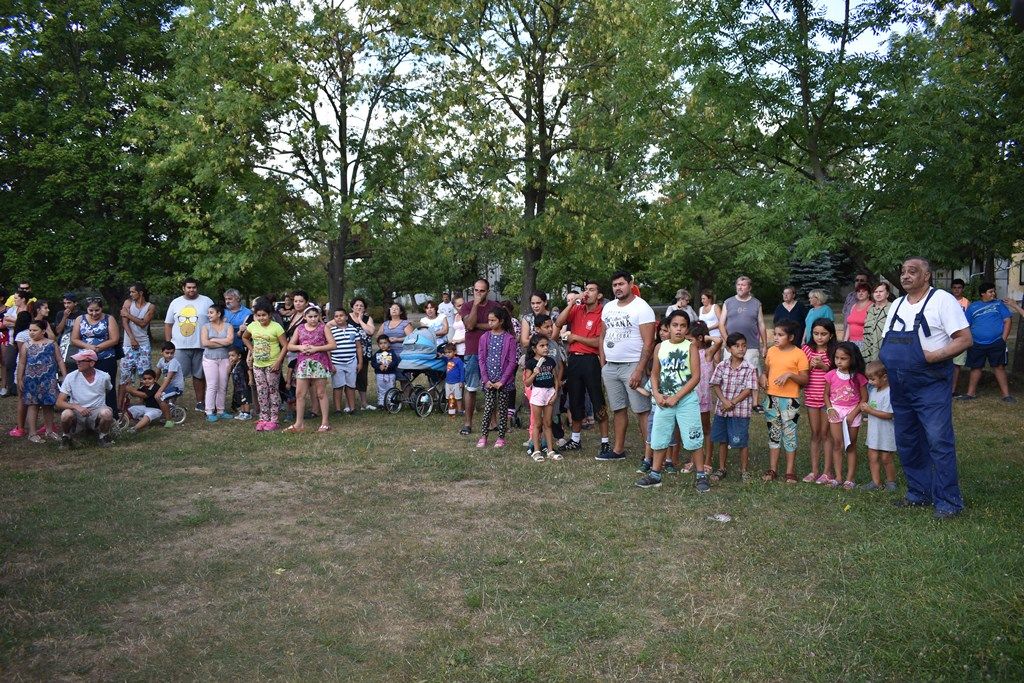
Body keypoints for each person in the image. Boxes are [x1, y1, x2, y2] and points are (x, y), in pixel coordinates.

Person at [880, 257, 971, 519]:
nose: (905, 276)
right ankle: (919, 492)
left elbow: (965, 339)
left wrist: (934, 356)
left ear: (927, 275)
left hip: (930, 383)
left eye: (913, 271)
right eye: (903, 271)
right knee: (907, 440)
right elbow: (888, 342)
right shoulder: (897, 304)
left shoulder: (942, 300)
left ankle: (949, 501)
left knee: (938, 440)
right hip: (899, 384)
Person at [635, 311, 709, 491]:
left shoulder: (690, 347)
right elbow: (654, 374)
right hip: (664, 401)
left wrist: (677, 396)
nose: (678, 329)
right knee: (659, 436)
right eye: (675, 325)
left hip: (686, 401)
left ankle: (701, 475)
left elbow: (696, 377)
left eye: (683, 326)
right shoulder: (660, 347)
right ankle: (655, 474)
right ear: (668, 327)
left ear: (687, 328)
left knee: (693, 437)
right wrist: (657, 394)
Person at [599, 271, 656, 461]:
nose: (618, 288)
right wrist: (603, 364)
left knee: (642, 410)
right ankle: (618, 450)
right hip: (611, 367)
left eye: (621, 284)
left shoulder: (642, 307)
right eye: (615, 285)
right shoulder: (608, 307)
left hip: (632, 365)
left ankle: (651, 455)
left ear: (631, 284)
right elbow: (602, 336)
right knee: (618, 409)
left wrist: (639, 370)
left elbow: (649, 342)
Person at [554, 280, 610, 455]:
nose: (587, 293)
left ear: (599, 295)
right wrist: (571, 303)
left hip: (591, 360)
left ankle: (605, 442)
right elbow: (558, 323)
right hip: (574, 360)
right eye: (586, 289)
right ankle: (575, 440)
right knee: (575, 399)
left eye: (591, 290)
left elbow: (598, 341)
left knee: (597, 399)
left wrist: (576, 337)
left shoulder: (603, 313)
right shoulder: (577, 309)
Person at [760, 320, 809, 483]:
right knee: (774, 433)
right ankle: (772, 469)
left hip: (790, 400)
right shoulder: (771, 351)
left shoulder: (799, 354)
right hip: (771, 398)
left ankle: (790, 471)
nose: (776, 337)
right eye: (775, 334)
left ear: (791, 337)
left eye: (780, 335)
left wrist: (790, 375)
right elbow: (767, 371)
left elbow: (804, 379)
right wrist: (763, 376)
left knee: (789, 433)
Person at [709, 332, 757, 482]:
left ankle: (744, 471)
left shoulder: (749, 368)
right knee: (722, 440)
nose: (741, 349)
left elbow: (748, 389)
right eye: (737, 346)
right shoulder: (721, 366)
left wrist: (732, 402)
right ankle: (721, 468)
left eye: (744, 345)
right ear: (729, 349)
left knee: (742, 441)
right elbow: (715, 384)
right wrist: (724, 401)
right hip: (722, 411)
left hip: (740, 412)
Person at [958, 282, 1015, 403]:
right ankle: (970, 393)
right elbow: (966, 324)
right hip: (977, 343)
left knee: (999, 367)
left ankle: (1006, 395)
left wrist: (1003, 339)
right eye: (990, 292)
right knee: (975, 367)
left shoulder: (999, 304)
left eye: (994, 291)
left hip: (996, 342)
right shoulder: (973, 307)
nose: (993, 293)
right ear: (982, 294)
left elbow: (1007, 321)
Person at [164, 278, 214, 412]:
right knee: (175, 376)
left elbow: (213, 321)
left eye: (194, 287)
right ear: (183, 288)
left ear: (197, 288)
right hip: (179, 347)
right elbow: (168, 324)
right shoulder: (175, 302)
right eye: (189, 287)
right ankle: (170, 403)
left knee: (200, 376)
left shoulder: (207, 301)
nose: (191, 290)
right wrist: (168, 344)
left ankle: (200, 403)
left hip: (201, 346)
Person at [824, 342, 868, 490]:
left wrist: (853, 414)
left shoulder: (858, 377)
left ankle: (850, 479)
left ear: (852, 359)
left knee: (851, 445)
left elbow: (864, 398)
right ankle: (838, 477)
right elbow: (826, 394)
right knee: (837, 444)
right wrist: (830, 408)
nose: (839, 361)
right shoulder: (831, 375)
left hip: (852, 412)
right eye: (836, 358)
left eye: (843, 358)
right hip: (835, 411)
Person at [285, 306, 335, 433]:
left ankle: (325, 422)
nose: (313, 319)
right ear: (304, 317)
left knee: (321, 393)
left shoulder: (323, 327)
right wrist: (300, 347)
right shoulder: (300, 328)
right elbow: (290, 345)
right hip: (303, 363)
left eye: (315, 316)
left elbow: (333, 345)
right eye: (310, 317)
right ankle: (298, 424)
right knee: (299, 394)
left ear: (319, 316)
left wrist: (316, 348)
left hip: (319, 362)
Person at [721, 276, 767, 410]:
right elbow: (721, 324)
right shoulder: (728, 302)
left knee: (752, 372)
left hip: (751, 345)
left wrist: (764, 345)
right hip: (731, 346)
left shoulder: (756, 303)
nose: (740, 287)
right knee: (729, 372)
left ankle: (755, 403)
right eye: (738, 285)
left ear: (749, 288)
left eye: (743, 285)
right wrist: (728, 341)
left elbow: (761, 324)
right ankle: (729, 399)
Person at [459, 279, 498, 436]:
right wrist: (475, 305)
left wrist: (476, 325)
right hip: (473, 351)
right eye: (476, 290)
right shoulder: (467, 306)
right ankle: (468, 423)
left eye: (482, 291)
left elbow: (497, 325)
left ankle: (494, 423)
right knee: (471, 387)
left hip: (492, 351)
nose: (478, 293)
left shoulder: (495, 306)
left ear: (487, 291)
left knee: (492, 387)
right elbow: (469, 325)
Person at [18, 319, 67, 442]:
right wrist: (19, 378)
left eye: (35, 330)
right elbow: (22, 363)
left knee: (48, 405)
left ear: (43, 331)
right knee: (32, 405)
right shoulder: (26, 345)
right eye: (30, 330)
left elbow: (59, 360)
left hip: (48, 379)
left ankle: (49, 430)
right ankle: (32, 433)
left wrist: (65, 376)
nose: (31, 332)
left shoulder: (52, 344)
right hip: (31, 380)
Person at [242, 301, 288, 431]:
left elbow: (285, 345)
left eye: (264, 315)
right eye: (258, 315)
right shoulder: (253, 326)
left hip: (272, 364)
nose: (261, 318)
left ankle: (274, 419)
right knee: (262, 391)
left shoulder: (276, 327)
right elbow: (245, 337)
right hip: (258, 364)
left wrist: (278, 362)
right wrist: (252, 349)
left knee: (272, 391)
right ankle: (264, 418)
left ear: (270, 315)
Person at [475, 307, 518, 448]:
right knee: (488, 408)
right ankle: (483, 436)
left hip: (503, 382)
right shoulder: (484, 337)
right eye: (489, 320)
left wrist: (503, 381)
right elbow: (481, 359)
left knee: (503, 409)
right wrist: (485, 379)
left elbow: (512, 361)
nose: (490, 323)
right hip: (489, 380)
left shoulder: (510, 339)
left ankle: (501, 437)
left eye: (493, 320)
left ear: (501, 321)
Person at [71, 297, 120, 416]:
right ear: (86, 309)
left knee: (107, 385)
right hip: (85, 359)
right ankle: (85, 414)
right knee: (85, 384)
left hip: (106, 357)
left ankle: (111, 415)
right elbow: (74, 339)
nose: (94, 313)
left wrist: (97, 348)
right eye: (91, 310)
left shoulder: (109, 319)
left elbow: (115, 339)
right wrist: (88, 347)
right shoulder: (80, 319)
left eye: (97, 310)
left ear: (102, 308)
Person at [802, 319, 838, 484]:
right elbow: (802, 372)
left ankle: (827, 472)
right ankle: (814, 470)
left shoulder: (834, 351)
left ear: (831, 335)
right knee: (815, 433)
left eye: (823, 334)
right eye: (816, 333)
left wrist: (824, 366)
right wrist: (810, 366)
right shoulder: (807, 349)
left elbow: (838, 373)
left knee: (826, 434)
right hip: (811, 397)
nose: (819, 337)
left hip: (828, 399)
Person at [56, 349, 115, 448]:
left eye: (81, 361)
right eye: (77, 360)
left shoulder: (104, 377)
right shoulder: (70, 377)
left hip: (96, 409)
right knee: (66, 414)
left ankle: (103, 436)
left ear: (92, 363)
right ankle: (66, 436)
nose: (77, 363)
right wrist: (76, 407)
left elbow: (107, 390)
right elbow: (59, 402)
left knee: (106, 413)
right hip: (77, 411)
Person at [690, 321, 722, 476]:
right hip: (690, 398)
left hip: (703, 397)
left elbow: (719, 341)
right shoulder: (688, 353)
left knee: (706, 428)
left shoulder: (707, 353)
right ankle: (694, 458)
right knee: (692, 429)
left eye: (691, 339)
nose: (688, 342)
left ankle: (708, 459)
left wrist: (705, 337)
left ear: (700, 338)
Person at [860, 361, 898, 492]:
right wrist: (866, 409)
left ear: (885, 377)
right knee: (872, 456)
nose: (870, 382)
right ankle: (876, 482)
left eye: (873, 379)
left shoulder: (889, 393)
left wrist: (870, 411)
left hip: (886, 432)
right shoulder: (874, 391)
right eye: (868, 379)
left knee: (886, 458)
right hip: (874, 431)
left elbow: (889, 414)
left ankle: (891, 482)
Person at [118, 283, 155, 409]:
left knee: (144, 376)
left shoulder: (150, 307)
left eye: (133, 292)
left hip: (144, 344)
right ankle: (119, 406)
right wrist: (132, 339)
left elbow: (143, 323)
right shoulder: (128, 303)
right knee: (124, 376)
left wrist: (128, 315)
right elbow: (124, 323)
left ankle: (142, 405)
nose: (131, 294)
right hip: (128, 345)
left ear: (141, 293)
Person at [524, 334, 560, 461]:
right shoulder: (531, 363)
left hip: (549, 392)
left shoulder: (551, 361)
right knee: (538, 423)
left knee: (548, 423)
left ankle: (550, 450)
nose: (545, 348)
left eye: (546, 345)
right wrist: (534, 373)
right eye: (542, 346)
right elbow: (527, 383)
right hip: (538, 393)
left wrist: (555, 393)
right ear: (534, 349)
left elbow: (555, 378)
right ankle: (536, 450)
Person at [200, 303, 235, 422]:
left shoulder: (228, 326)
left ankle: (220, 410)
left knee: (223, 385)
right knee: (212, 385)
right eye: (208, 313)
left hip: (225, 358)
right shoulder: (205, 327)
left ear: (219, 313)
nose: (209, 315)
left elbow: (230, 341)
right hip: (209, 359)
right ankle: (209, 411)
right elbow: (205, 343)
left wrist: (214, 340)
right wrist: (222, 342)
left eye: (211, 312)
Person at [327, 307, 363, 414]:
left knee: (350, 386)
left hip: (351, 362)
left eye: (341, 316)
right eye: (336, 316)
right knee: (338, 386)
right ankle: (338, 409)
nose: (339, 318)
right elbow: (328, 349)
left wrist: (360, 362)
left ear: (346, 317)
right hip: (337, 363)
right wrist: (330, 364)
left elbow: (358, 347)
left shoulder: (353, 329)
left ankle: (352, 408)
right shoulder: (331, 331)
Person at [349, 298, 376, 410]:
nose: (359, 307)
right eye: (356, 305)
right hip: (349, 352)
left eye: (361, 306)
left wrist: (360, 320)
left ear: (364, 308)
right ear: (352, 307)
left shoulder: (367, 318)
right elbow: (329, 325)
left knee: (362, 377)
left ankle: (364, 403)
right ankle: (348, 404)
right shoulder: (346, 317)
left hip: (364, 352)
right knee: (349, 378)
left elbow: (371, 331)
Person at [949, 279, 971, 396]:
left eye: (959, 288)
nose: (957, 290)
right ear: (951, 289)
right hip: (947, 335)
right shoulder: (947, 300)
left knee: (956, 364)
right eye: (954, 288)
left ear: (963, 289)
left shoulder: (967, 303)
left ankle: (953, 389)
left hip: (960, 335)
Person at [861, 282, 892, 363]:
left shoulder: (893, 308)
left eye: (881, 291)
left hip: (886, 349)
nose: (878, 294)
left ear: (887, 294)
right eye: (875, 292)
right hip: (868, 349)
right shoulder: (870, 309)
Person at [54, 293, 81, 370]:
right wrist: (64, 317)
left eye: (69, 303)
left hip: (77, 343)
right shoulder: (60, 314)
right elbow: (58, 330)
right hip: (63, 343)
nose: (66, 305)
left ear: (75, 303)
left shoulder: (82, 314)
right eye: (65, 303)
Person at [371, 336, 400, 407]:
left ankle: (391, 402)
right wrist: (379, 366)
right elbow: (373, 363)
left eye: (385, 343)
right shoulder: (377, 354)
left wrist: (389, 366)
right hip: (380, 374)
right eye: (381, 343)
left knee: (390, 388)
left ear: (389, 343)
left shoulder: (391, 353)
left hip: (390, 374)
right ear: (378, 344)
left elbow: (395, 362)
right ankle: (381, 403)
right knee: (381, 389)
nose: (383, 345)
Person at [154, 342, 185, 406]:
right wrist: (154, 382)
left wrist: (160, 391)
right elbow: (157, 373)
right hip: (169, 387)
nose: (169, 355)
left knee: (160, 397)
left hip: (176, 388)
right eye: (167, 353)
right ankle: (170, 407)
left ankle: (169, 411)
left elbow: (169, 378)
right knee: (160, 398)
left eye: (172, 353)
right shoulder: (161, 360)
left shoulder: (173, 362)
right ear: (162, 352)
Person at [843, 283, 871, 349]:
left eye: (863, 291)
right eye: (858, 291)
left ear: (869, 294)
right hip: (851, 341)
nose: (860, 293)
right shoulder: (854, 306)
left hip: (864, 342)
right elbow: (849, 325)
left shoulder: (871, 306)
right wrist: (845, 341)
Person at [226, 348, 252, 421]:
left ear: (239, 356)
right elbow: (228, 372)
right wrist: (230, 365)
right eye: (229, 356)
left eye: (233, 355)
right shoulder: (234, 365)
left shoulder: (242, 363)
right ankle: (242, 412)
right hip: (237, 387)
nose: (231, 357)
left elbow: (248, 371)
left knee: (245, 400)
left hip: (244, 386)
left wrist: (251, 379)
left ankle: (247, 413)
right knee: (240, 400)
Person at [443, 343, 465, 416]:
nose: (447, 354)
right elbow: (443, 357)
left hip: (457, 383)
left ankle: (460, 410)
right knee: (450, 398)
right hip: (448, 382)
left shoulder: (458, 361)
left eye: (449, 352)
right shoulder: (447, 359)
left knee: (458, 398)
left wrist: (461, 381)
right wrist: (441, 355)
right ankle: (452, 411)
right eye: (446, 352)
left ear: (455, 352)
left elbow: (462, 371)